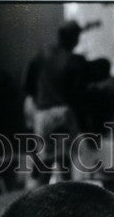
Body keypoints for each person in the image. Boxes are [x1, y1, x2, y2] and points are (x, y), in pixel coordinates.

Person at [24, 20, 89, 183]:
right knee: (65, 165)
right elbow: (78, 96)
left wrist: (39, 98)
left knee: (45, 164)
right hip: (64, 115)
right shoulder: (73, 60)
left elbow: (26, 84)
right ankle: (66, 202)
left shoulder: (41, 54)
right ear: (73, 39)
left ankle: (38, 201)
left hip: (43, 115)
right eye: (77, 37)